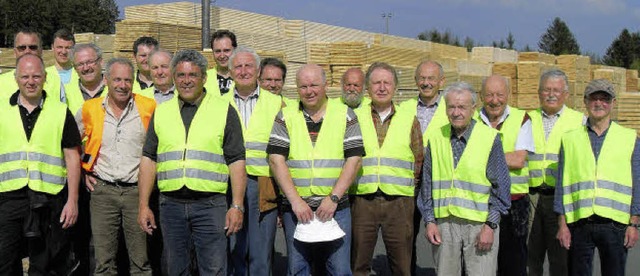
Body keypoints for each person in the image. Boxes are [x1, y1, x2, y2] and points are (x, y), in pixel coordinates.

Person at [137, 49, 246, 275]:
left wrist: (236, 205)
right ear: (174, 78)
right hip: (171, 205)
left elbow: (236, 161)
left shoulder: (224, 110)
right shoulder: (162, 112)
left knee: (213, 269)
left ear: (204, 77)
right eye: (181, 75)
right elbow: (149, 159)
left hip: (211, 205)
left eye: (193, 75)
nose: (186, 81)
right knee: (176, 269)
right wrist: (144, 205)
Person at [267, 64, 364, 275]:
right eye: (303, 86)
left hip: (336, 208)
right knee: (297, 268)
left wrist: (334, 198)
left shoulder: (345, 115)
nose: (309, 91)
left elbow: (354, 160)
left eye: (314, 85)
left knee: (338, 269)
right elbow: (276, 160)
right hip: (297, 209)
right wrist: (295, 201)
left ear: (326, 85)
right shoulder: (285, 116)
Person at [417, 81, 511, 276]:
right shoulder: (435, 138)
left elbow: (501, 187)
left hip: (479, 225)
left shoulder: (489, 138)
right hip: (444, 224)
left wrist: (490, 226)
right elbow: (426, 186)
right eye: (451, 107)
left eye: (462, 107)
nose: (456, 112)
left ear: (473, 109)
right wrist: (430, 221)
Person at [0, 53, 81, 275]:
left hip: (49, 200)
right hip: (9, 199)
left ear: (45, 78)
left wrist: (72, 200)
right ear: (16, 78)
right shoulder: (1, 111)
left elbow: (72, 156)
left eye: (36, 76)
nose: (31, 81)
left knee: (46, 266)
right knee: (4, 263)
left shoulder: (60, 111)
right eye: (25, 76)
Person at [76, 58, 155, 275]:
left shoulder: (148, 107)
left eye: (127, 80)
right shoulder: (90, 108)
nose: (122, 85)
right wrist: (82, 171)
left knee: (141, 262)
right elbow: (70, 143)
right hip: (102, 192)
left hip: (136, 193)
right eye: (117, 79)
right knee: (104, 263)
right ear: (106, 80)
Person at [555, 79, 639, 276]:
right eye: (594, 99)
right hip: (580, 223)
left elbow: (638, 183)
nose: (599, 103)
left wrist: (634, 224)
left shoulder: (629, 138)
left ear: (613, 103)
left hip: (615, 224)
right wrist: (562, 224)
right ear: (585, 102)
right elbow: (561, 184)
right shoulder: (570, 139)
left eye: (605, 99)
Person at [350, 62, 423, 276]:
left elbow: (419, 159)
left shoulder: (409, 120)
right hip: (363, 199)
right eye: (376, 83)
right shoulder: (354, 117)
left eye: (387, 83)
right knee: (358, 264)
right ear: (367, 88)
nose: (382, 88)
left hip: (399, 203)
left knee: (401, 265)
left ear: (395, 87)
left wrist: (409, 187)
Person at [224, 46, 282, 276]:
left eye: (249, 66)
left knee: (260, 252)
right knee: (233, 247)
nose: (243, 70)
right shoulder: (218, 103)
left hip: (263, 184)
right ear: (229, 72)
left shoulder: (277, 103)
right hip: (228, 183)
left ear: (258, 71)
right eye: (238, 66)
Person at [527, 69, 585, 276]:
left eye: (557, 90)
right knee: (530, 255)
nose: (551, 94)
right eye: (546, 90)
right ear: (538, 92)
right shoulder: (527, 119)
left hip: (560, 199)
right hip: (531, 197)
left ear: (566, 94)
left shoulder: (579, 121)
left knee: (560, 257)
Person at [477, 75, 534, 276]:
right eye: (489, 95)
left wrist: (480, 156)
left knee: (513, 262)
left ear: (508, 95)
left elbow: (519, 159)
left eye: (500, 94)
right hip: (480, 202)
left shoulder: (522, 119)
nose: (495, 100)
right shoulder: (472, 119)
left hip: (514, 204)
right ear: (480, 96)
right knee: (480, 261)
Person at [399, 60, 449, 275]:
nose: (426, 83)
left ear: (441, 82)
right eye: (422, 78)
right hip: (410, 183)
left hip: (440, 183)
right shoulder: (403, 108)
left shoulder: (452, 108)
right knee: (406, 237)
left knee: (444, 239)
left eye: (431, 78)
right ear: (415, 80)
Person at [0, 29, 64, 101]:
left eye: (33, 47)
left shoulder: (56, 82)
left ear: (41, 51)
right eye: (22, 48)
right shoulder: (1, 82)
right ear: (15, 52)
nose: (27, 51)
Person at [65, 43, 105, 115]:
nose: (86, 68)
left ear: (101, 62)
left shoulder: (116, 88)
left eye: (90, 62)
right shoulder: (66, 93)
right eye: (80, 64)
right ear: (74, 68)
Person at [205, 29, 237, 96]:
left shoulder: (245, 77)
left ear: (235, 50)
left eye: (226, 50)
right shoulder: (204, 78)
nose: (222, 56)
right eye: (218, 51)